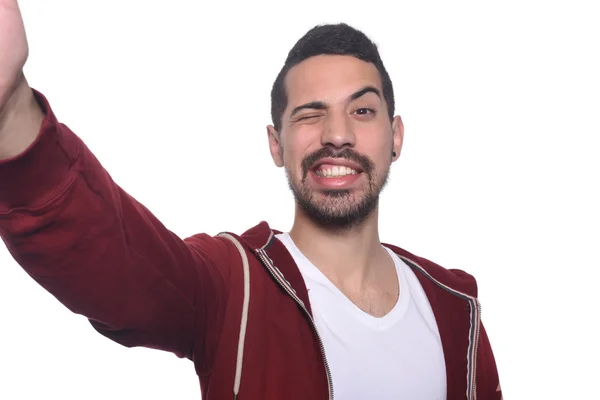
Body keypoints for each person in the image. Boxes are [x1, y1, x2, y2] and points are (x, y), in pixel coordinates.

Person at [0, 2, 502, 399]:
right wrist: (11, 108)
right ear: (275, 144)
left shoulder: (455, 307)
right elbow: (115, 263)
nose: (338, 135)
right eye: (310, 114)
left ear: (395, 136)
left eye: (363, 110)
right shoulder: (232, 286)